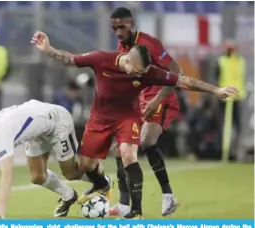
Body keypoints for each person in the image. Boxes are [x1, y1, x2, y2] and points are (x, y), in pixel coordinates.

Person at [31, 31, 239, 219]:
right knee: (80, 169)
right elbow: (69, 59)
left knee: (128, 154)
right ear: (128, 60)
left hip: (127, 117)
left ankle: (136, 212)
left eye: (143, 73)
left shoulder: (147, 72)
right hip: (99, 120)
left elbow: (184, 81)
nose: (140, 76)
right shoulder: (101, 59)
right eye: (137, 71)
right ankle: (102, 183)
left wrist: (216, 90)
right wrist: (49, 49)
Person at [109, 7, 184, 217]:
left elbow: (176, 71)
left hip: (162, 96)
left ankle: (168, 196)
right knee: (119, 147)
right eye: (114, 28)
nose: (118, 32)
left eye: (122, 27)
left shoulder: (149, 43)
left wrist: (157, 99)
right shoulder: (121, 46)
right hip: (141, 100)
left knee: (146, 140)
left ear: (132, 24)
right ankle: (124, 204)